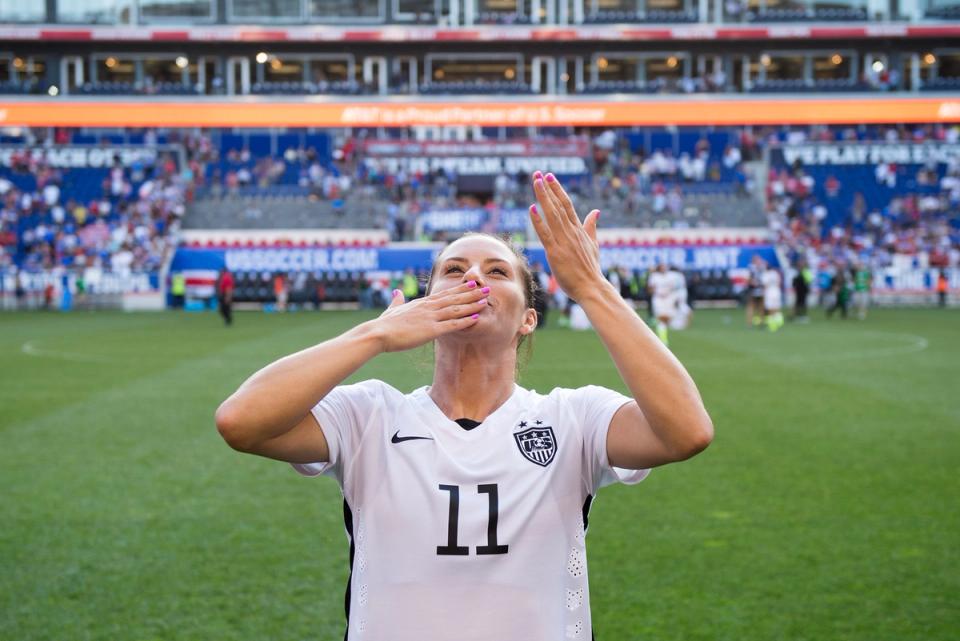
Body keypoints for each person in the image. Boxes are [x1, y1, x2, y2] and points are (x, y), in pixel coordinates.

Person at [215, 171, 713, 641]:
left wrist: (592, 288)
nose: (473, 277)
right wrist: (377, 333)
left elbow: (686, 431)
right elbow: (242, 421)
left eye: (497, 271)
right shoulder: (368, 415)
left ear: (528, 319)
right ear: (424, 302)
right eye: (454, 270)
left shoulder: (573, 418)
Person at [647, 263, 674, 345]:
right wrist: (657, 292)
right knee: (661, 318)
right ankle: (663, 339)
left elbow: (671, 287)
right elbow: (650, 288)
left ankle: (662, 335)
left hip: (668, 299)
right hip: (658, 299)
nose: (664, 268)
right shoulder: (654, 276)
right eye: (662, 267)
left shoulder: (670, 276)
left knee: (667, 319)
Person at [761, 261, 784, 332]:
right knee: (776, 308)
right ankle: (779, 323)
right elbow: (779, 282)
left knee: (770, 309)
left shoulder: (765, 274)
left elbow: (765, 285)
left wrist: (763, 294)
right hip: (777, 291)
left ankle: (772, 326)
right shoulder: (775, 273)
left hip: (769, 292)